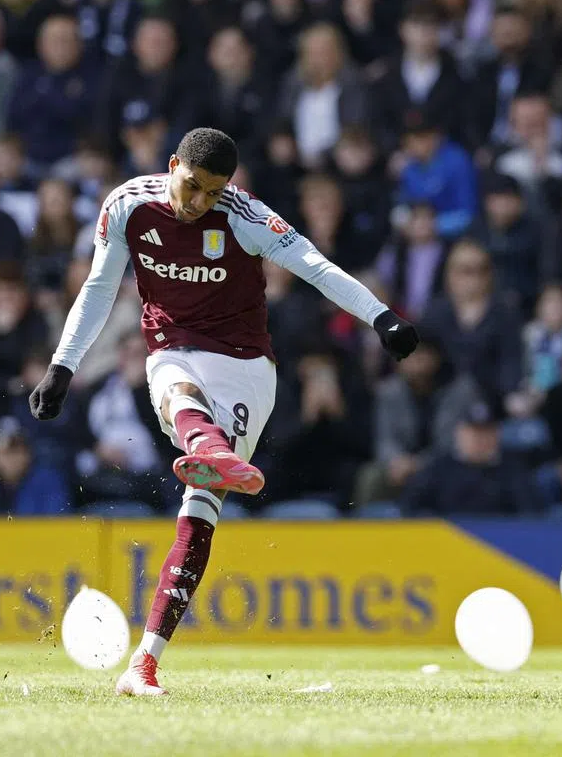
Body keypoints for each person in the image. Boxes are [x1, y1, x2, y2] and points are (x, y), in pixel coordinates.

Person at [27, 128, 419, 696]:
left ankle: (145, 659)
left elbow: (314, 264)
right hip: (172, 349)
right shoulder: (128, 206)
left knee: (201, 509)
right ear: (172, 167)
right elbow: (98, 287)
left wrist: (382, 318)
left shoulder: (246, 216)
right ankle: (205, 453)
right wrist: (62, 367)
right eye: (192, 186)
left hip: (244, 368)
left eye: (212, 192)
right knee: (171, 387)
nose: (199, 202)